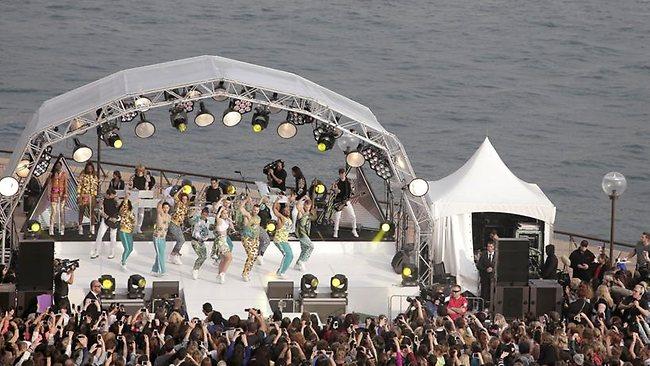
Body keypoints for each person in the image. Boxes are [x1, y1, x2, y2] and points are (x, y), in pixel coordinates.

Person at [92, 188, 119, 260]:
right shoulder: (102, 201)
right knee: (99, 235)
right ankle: (96, 251)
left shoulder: (115, 200)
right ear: (108, 195)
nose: (113, 196)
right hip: (106, 220)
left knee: (113, 237)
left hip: (115, 220)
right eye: (112, 195)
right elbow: (101, 212)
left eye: (114, 195)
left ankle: (112, 252)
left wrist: (117, 218)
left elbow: (119, 209)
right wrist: (109, 218)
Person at [332, 168, 358, 238]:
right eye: (341, 174)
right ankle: (336, 231)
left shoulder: (349, 181)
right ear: (339, 174)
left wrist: (351, 195)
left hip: (347, 201)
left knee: (353, 216)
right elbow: (333, 190)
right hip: (339, 202)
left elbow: (353, 190)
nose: (342, 175)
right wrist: (336, 191)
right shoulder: (336, 182)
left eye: (343, 173)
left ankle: (354, 229)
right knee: (337, 218)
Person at [129, 164, 156, 234]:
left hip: (142, 197)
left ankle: (138, 227)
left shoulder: (145, 178)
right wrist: (132, 188)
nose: (140, 171)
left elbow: (147, 187)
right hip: (134, 196)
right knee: (133, 213)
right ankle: (132, 226)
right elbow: (130, 186)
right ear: (136, 170)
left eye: (142, 170)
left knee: (141, 213)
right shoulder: (133, 177)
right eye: (139, 170)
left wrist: (146, 190)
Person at [239, 197, 261, 282]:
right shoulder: (248, 215)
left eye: (257, 210)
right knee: (251, 255)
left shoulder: (258, 218)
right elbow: (241, 208)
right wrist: (245, 200)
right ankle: (245, 273)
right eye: (254, 210)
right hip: (247, 238)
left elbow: (257, 228)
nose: (255, 211)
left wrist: (257, 239)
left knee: (254, 257)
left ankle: (247, 272)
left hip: (255, 239)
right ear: (252, 209)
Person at [190, 207, 214, 280]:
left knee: (204, 257)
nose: (204, 216)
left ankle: (196, 269)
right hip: (195, 241)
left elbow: (211, 228)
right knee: (201, 256)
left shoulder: (208, 222)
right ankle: (195, 270)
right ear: (201, 214)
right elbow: (190, 221)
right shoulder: (197, 219)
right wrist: (193, 213)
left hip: (202, 242)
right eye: (203, 214)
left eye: (206, 215)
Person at [168, 189, 190, 265]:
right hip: (173, 223)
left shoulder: (186, 207)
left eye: (186, 199)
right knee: (180, 240)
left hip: (178, 225)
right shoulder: (179, 203)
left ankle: (173, 254)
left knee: (182, 240)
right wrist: (181, 190)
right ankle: (175, 255)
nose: (184, 200)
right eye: (183, 199)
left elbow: (186, 216)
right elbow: (175, 196)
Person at [272, 197, 293, 278]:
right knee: (287, 255)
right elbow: (274, 209)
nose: (288, 211)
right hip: (279, 240)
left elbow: (288, 205)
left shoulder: (289, 219)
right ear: (283, 212)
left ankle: (281, 271)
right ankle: (280, 273)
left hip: (285, 240)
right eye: (286, 210)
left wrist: (287, 201)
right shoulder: (282, 218)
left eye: (288, 210)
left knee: (291, 256)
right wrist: (276, 200)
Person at [212, 207, 233, 283]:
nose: (226, 214)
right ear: (221, 214)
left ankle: (220, 274)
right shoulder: (220, 220)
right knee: (229, 258)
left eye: (226, 213)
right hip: (221, 241)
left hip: (224, 240)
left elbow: (232, 228)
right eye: (224, 213)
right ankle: (222, 273)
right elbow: (217, 217)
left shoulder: (225, 221)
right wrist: (220, 210)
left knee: (224, 259)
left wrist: (230, 221)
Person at [77, 161, 98, 235]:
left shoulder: (94, 176)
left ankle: (92, 227)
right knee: (81, 212)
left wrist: (95, 196)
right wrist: (79, 195)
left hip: (91, 196)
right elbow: (79, 185)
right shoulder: (83, 175)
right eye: (88, 168)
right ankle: (80, 227)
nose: (90, 169)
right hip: (84, 195)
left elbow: (95, 187)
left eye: (91, 168)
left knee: (92, 212)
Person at [152, 198, 171, 277]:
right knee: (160, 255)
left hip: (163, 238)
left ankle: (155, 270)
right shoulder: (160, 214)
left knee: (161, 254)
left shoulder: (169, 216)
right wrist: (162, 200)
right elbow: (158, 207)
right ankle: (162, 271)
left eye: (167, 207)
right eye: (164, 207)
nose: (166, 209)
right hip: (157, 237)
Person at [294, 196, 314, 271]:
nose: (307, 208)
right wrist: (303, 197)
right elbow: (297, 205)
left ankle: (297, 264)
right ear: (304, 205)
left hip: (306, 233)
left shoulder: (309, 213)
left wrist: (309, 199)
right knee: (311, 246)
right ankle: (302, 261)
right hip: (301, 234)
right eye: (306, 206)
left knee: (304, 249)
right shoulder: (301, 212)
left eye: (309, 207)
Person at [48, 161, 67, 236]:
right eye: (57, 166)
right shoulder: (52, 174)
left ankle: (62, 228)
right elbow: (49, 184)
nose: (58, 167)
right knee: (54, 211)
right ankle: (51, 228)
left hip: (62, 194)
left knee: (62, 212)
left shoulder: (64, 174)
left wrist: (66, 193)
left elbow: (65, 184)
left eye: (59, 166)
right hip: (54, 194)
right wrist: (48, 193)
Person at [118, 189, 135, 271]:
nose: (126, 205)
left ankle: (123, 261)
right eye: (125, 204)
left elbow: (133, 220)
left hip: (129, 231)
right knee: (127, 248)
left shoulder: (130, 212)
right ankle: (123, 263)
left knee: (131, 249)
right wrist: (126, 197)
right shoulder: (123, 211)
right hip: (123, 231)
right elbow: (124, 205)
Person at [256, 196, 272, 265]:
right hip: (259, 226)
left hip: (264, 226)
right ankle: (260, 255)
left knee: (263, 241)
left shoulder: (267, 208)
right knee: (266, 241)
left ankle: (259, 255)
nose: (268, 199)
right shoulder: (262, 207)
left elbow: (269, 217)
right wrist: (261, 199)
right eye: (267, 198)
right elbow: (257, 208)